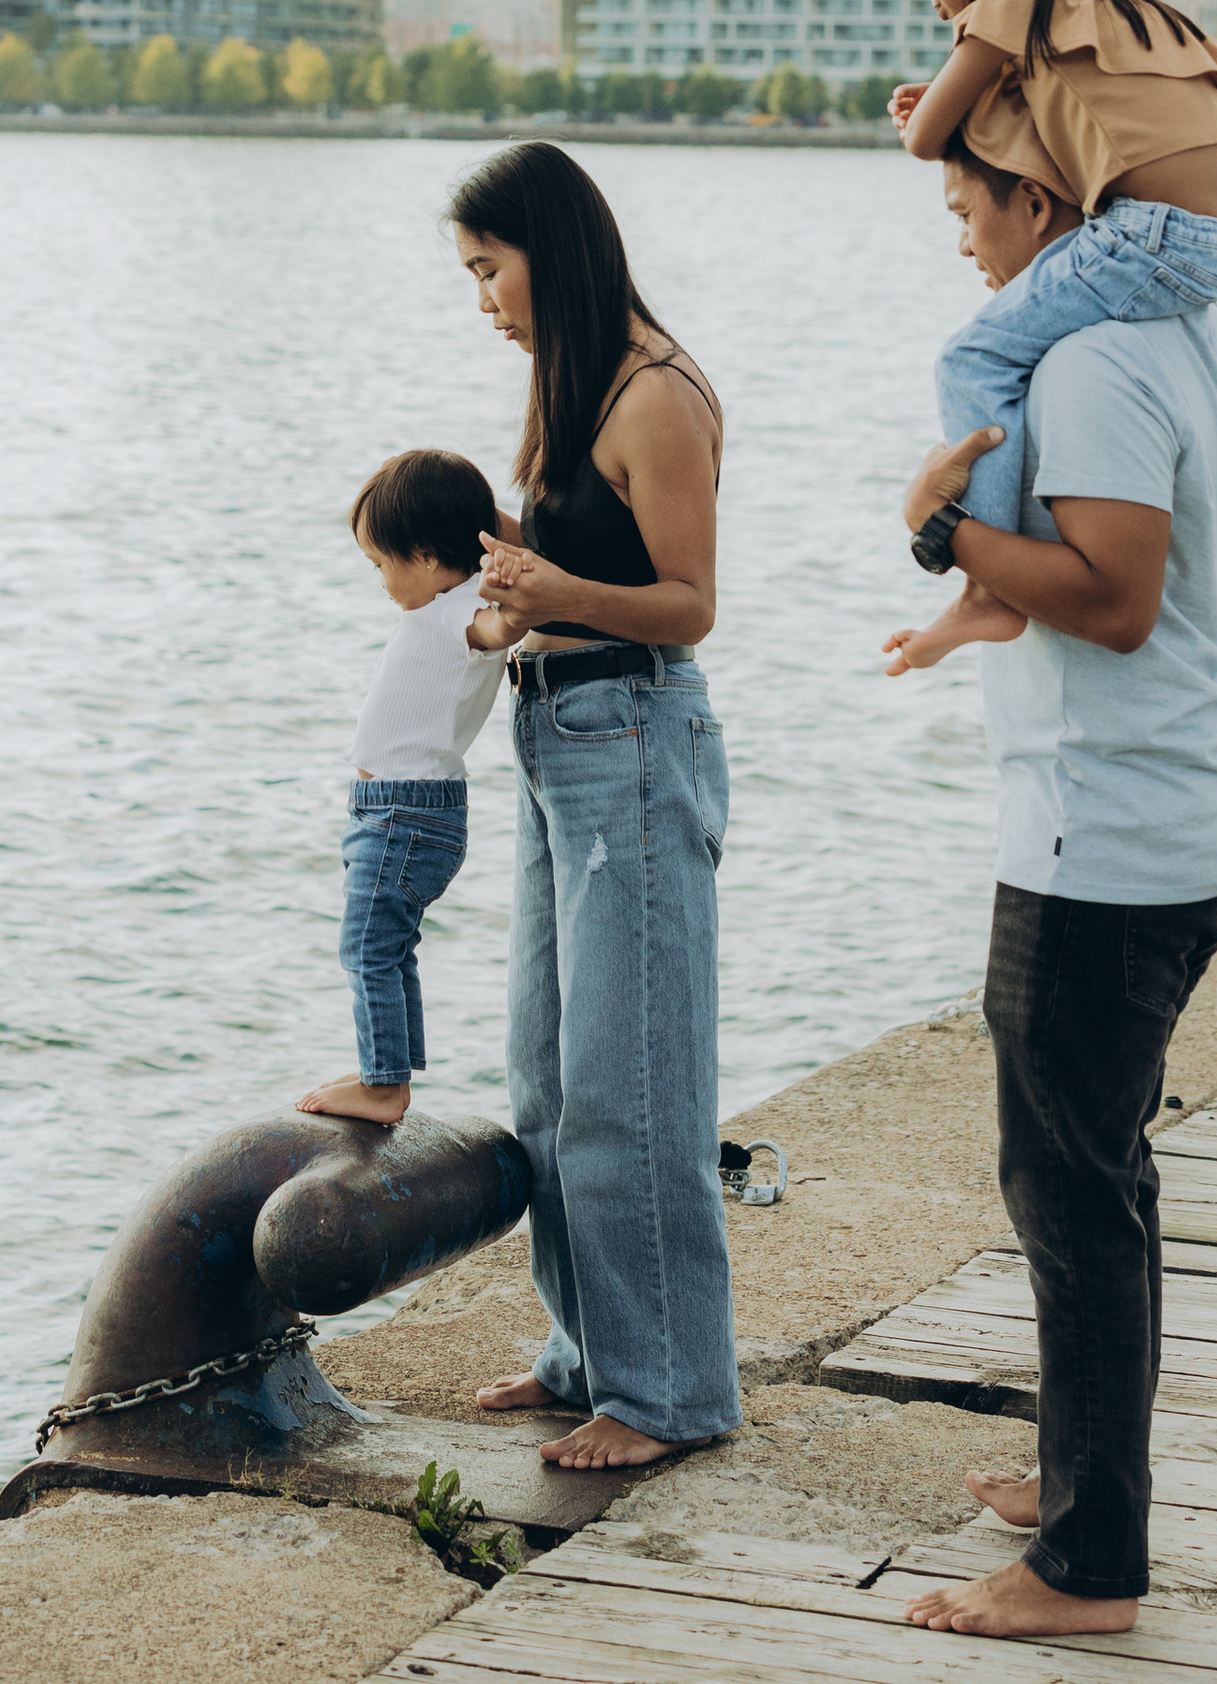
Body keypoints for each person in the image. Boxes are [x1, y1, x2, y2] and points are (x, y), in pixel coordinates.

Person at [892, 130, 1217, 1646]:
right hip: (1196, 816)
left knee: (1068, 1194)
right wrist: (982, 611)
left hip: (1104, 845)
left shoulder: (1087, 366)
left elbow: (1115, 605)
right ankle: (1078, 1473)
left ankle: (1087, 1565)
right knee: (1098, 1171)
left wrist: (943, 532)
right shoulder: (1212, 342)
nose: (962, 242)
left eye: (967, 206)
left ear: (1042, 200)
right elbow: (1216, 577)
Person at [446, 140, 737, 1475]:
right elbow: (577, 571)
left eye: (488, 270)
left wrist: (553, 597)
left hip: (629, 739)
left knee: (633, 1086)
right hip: (559, 739)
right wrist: (510, 602)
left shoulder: (655, 397)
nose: (484, 300)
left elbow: (688, 607)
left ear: (546, 253)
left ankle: (673, 1392)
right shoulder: (569, 389)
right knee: (551, 1086)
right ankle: (589, 1353)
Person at [884, 0, 1217, 678]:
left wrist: (930, 104)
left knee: (971, 359)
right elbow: (1207, 99)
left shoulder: (1011, 4)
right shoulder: (1131, 4)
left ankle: (988, 589)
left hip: (1153, 234)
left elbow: (925, 142)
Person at [299, 448, 514, 1128]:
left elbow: (496, 630)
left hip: (404, 813)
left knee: (368, 946)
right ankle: (390, 1068)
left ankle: (384, 1085)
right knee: (389, 945)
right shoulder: (445, 607)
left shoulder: (463, 610)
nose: (380, 580)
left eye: (380, 564)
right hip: (395, 811)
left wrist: (514, 603)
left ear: (422, 556)